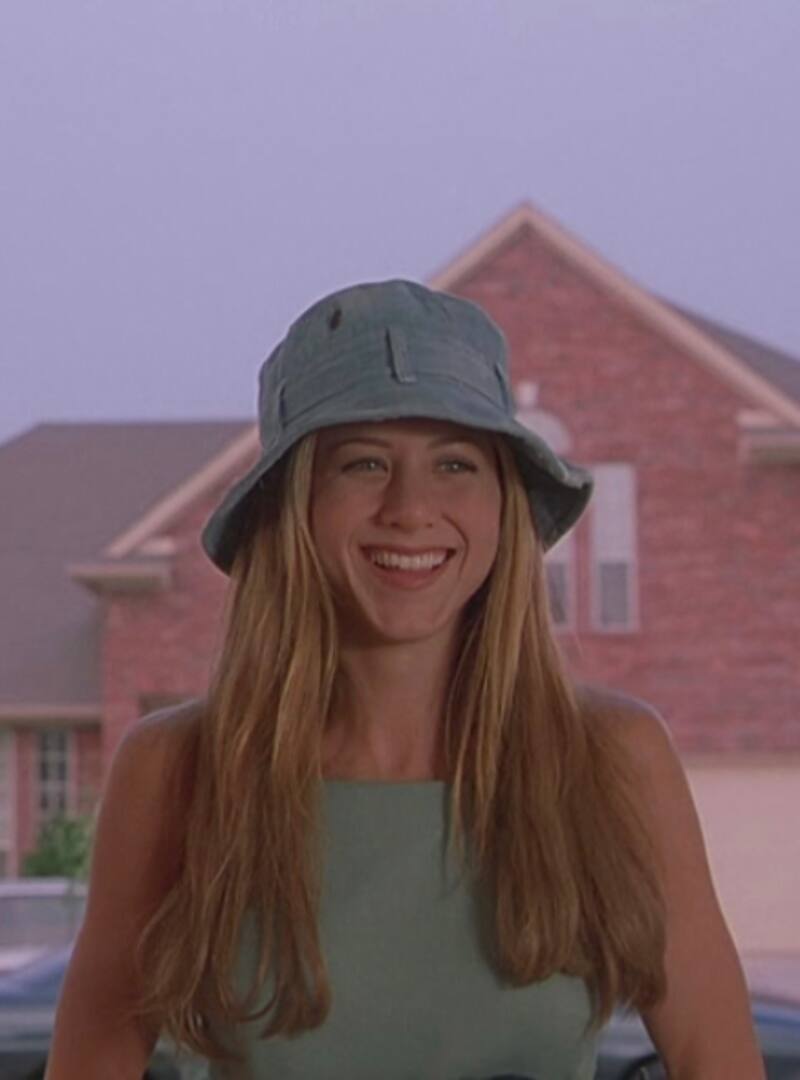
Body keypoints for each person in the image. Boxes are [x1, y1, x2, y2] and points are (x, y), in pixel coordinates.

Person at [45, 280, 764, 1079]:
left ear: (505, 506)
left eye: (455, 463)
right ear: (293, 506)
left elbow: (718, 1060)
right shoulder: (174, 769)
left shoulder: (613, 758)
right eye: (364, 464)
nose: (411, 508)